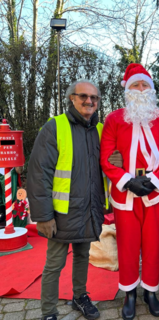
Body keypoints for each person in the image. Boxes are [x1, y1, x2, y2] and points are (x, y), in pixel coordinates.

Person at [100, 63, 159, 320]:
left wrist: (156, 182)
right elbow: (105, 159)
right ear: (127, 89)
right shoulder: (113, 119)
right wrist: (127, 180)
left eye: (145, 85)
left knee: (154, 244)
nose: (141, 89)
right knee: (127, 245)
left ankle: (150, 291)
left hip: (155, 195)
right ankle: (129, 293)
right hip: (125, 196)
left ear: (152, 89)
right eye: (135, 84)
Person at [27, 80, 107, 320]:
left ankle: (79, 296)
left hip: (89, 210)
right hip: (61, 215)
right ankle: (49, 311)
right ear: (71, 98)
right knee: (54, 264)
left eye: (94, 98)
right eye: (83, 96)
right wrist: (43, 215)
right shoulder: (55, 127)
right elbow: (39, 174)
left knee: (83, 256)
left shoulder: (100, 129)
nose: (89, 101)